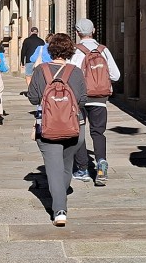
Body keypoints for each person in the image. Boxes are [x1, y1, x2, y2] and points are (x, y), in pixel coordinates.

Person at [27, 33, 87, 227]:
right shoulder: (75, 72)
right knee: (67, 164)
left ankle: (59, 210)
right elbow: (82, 99)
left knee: (53, 169)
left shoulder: (40, 71)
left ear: (50, 50)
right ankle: (61, 190)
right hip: (74, 126)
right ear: (70, 51)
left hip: (47, 127)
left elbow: (34, 98)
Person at [69, 19, 121, 184]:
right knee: (98, 133)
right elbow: (116, 75)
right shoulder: (103, 51)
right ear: (94, 31)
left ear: (77, 33)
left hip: (80, 99)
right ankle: (101, 162)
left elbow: (69, 75)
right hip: (100, 98)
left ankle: (82, 169)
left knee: (80, 133)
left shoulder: (74, 52)